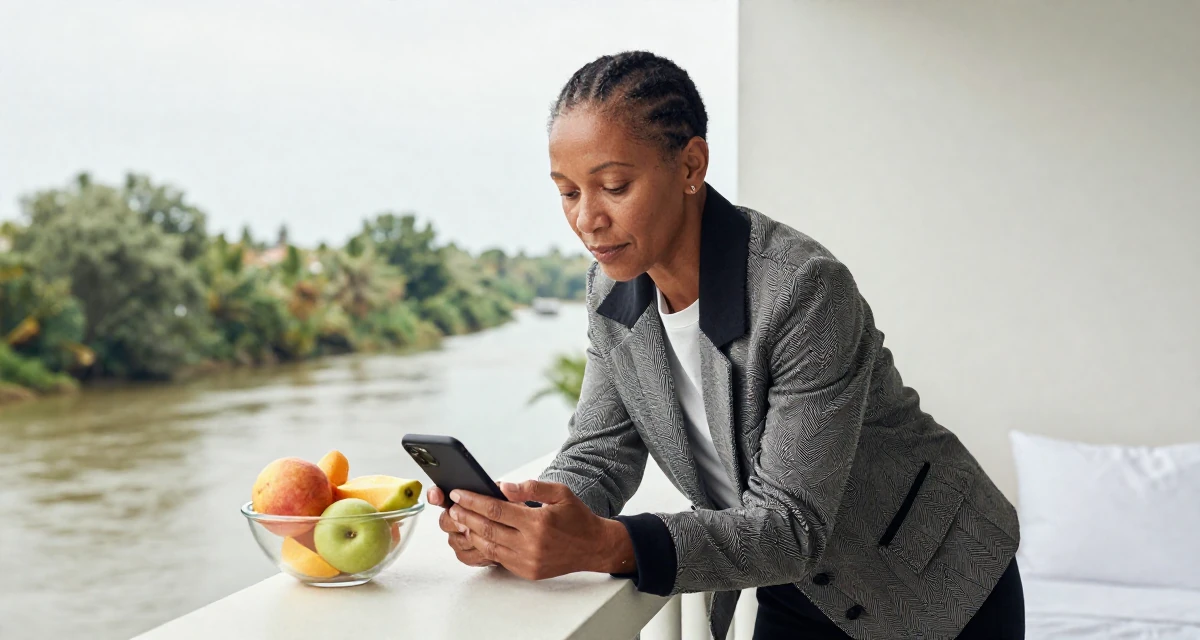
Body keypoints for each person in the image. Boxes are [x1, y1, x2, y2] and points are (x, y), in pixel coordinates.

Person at [426, 51, 1024, 640]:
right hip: (795, 580)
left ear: (691, 166)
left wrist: (606, 543)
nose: (587, 219)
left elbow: (791, 524)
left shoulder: (804, 291)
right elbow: (600, 453)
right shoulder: (611, 288)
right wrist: (524, 520)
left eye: (613, 185)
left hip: (938, 582)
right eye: (567, 192)